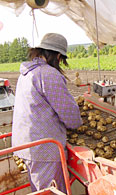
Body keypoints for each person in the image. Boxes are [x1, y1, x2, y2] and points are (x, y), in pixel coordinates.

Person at [12, 33, 83, 193]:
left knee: (39, 188)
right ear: (57, 56)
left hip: (27, 144)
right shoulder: (48, 74)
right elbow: (70, 115)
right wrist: (77, 123)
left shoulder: (26, 73)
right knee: (52, 191)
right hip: (44, 149)